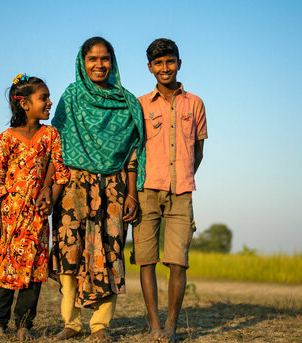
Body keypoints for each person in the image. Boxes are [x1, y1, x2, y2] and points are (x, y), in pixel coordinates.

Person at [49, 37, 145, 342]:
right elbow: (56, 146)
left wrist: (132, 193)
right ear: (82, 62)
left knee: (110, 252)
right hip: (73, 188)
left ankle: (101, 325)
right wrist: (48, 190)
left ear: (113, 62)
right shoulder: (72, 97)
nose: (99, 65)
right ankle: (71, 323)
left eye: (105, 59)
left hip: (114, 190)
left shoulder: (127, 101)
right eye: (93, 59)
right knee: (70, 253)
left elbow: (133, 152)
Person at [0, 74, 70, 340]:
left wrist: (49, 196)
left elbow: (60, 171)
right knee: (5, 273)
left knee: (34, 274)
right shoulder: (6, 138)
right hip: (10, 219)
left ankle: (24, 326)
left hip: (38, 219)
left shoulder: (51, 134)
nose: (50, 102)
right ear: (24, 104)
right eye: (44, 98)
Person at [132, 38, 208, 342]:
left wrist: (183, 177)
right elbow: (133, 150)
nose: (165, 68)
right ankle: (154, 325)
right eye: (159, 63)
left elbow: (198, 151)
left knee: (178, 261)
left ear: (179, 63)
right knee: (146, 259)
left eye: (170, 61)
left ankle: (172, 325)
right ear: (150, 68)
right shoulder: (139, 105)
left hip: (181, 191)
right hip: (147, 190)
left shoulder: (196, 103)